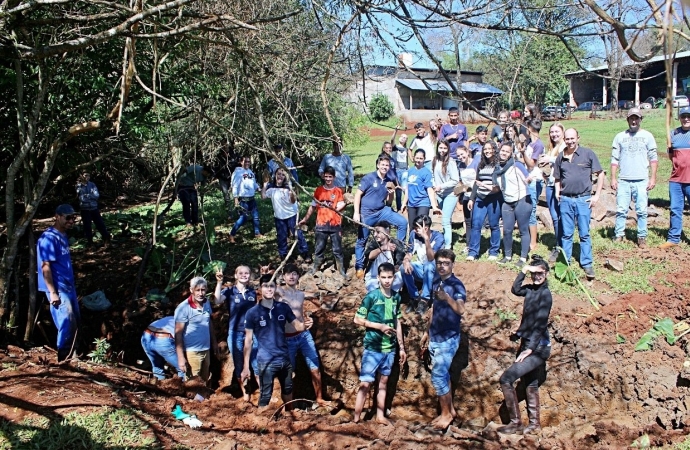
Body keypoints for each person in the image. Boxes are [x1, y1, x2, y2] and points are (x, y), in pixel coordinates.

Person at [497, 255, 552, 435]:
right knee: (530, 383)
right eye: (534, 273)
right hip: (528, 341)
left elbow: (540, 323)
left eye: (541, 273)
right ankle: (534, 425)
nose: (537, 277)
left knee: (506, 378)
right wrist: (524, 270)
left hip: (538, 347)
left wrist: (529, 349)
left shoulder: (546, 295)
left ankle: (516, 423)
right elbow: (515, 289)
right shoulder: (529, 290)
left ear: (546, 274)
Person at [242, 274, 312, 409]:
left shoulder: (283, 307)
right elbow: (248, 340)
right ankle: (262, 423)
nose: (269, 289)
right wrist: (246, 367)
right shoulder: (252, 313)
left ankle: (292, 417)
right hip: (266, 361)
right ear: (260, 289)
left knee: (288, 391)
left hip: (285, 359)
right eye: (265, 286)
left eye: (272, 286)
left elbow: (297, 326)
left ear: (275, 288)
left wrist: (306, 324)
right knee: (265, 395)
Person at [353, 262, 407, 425]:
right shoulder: (372, 297)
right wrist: (379, 326)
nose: (387, 281)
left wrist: (402, 347)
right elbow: (357, 319)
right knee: (365, 383)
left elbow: (398, 322)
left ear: (394, 277)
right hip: (373, 348)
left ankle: (380, 416)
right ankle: (355, 419)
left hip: (390, 349)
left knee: (383, 382)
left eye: (390, 277)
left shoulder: (397, 297)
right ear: (378, 278)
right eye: (383, 277)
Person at [419, 249, 466, 430]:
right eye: (439, 263)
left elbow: (461, 310)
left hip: (449, 339)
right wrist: (427, 332)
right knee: (443, 376)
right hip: (435, 337)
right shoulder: (436, 282)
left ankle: (446, 415)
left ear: (452, 265)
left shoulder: (456, 286)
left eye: (446, 263)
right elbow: (434, 310)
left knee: (438, 376)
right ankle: (449, 411)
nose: (442, 266)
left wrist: (447, 298)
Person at [553, 128, 604, 280]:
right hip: (566, 200)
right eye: (567, 139)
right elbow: (557, 177)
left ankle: (587, 263)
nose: (570, 141)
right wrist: (557, 192)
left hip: (583, 199)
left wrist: (597, 196)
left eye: (572, 138)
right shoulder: (560, 157)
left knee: (584, 233)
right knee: (567, 234)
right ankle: (565, 262)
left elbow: (600, 173)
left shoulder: (587, 154)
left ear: (578, 138)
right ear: (564, 139)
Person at [278, 264, 329, 405]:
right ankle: (289, 405)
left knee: (315, 368)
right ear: (283, 277)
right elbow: (266, 289)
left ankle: (319, 398)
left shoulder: (300, 294)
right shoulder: (280, 293)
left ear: (298, 276)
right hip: (287, 339)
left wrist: (310, 319)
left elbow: (307, 304)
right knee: (288, 373)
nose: (291, 276)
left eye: (294, 273)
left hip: (304, 335)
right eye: (288, 274)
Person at [353, 155, 408, 279]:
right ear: (378, 164)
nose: (385, 167)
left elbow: (389, 202)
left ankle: (398, 255)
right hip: (367, 214)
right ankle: (360, 267)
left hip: (382, 210)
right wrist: (356, 213)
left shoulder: (389, 179)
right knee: (362, 240)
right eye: (383, 164)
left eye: (387, 165)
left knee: (402, 223)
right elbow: (357, 195)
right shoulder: (369, 178)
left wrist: (391, 194)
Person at [37, 204, 80, 362]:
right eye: (68, 217)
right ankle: (64, 357)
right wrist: (52, 292)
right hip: (58, 288)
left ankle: (73, 354)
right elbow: (45, 266)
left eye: (73, 217)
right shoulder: (48, 238)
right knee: (66, 321)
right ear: (57, 216)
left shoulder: (62, 235)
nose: (71, 221)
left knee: (75, 321)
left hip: (68, 286)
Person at [610, 107, 658, 249]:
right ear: (628, 120)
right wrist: (613, 178)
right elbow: (614, 159)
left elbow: (653, 158)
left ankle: (641, 236)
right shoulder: (619, 137)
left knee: (642, 210)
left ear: (640, 120)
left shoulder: (648, 136)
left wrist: (653, 178)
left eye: (636, 118)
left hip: (641, 179)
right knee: (621, 209)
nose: (634, 121)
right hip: (624, 179)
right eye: (631, 118)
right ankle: (619, 234)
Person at [214, 265, 259, 401]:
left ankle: (264, 394)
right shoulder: (229, 291)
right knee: (239, 364)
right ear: (235, 275)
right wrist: (219, 282)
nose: (244, 275)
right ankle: (246, 395)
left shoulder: (252, 292)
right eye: (241, 273)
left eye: (247, 273)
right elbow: (217, 301)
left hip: (252, 333)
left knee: (257, 363)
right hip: (235, 334)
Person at [299, 166, 347, 276]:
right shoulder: (319, 190)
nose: (328, 179)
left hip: (335, 224)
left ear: (334, 177)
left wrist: (346, 202)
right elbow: (312, 206)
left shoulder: (338, 191)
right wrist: (305, 219)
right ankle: (316, 267)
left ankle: (341, 269)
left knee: (337, 249)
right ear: (323, 177)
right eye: (326, 177)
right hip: (321, 224)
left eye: (330, 177)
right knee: (319, 248)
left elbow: (339, 207)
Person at [494, 141, 531, 267]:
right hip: (507, 202)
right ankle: (507, 256)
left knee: (523, 230)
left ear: (511, 154)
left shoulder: (517, 165)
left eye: (507, 151)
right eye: (502, 150)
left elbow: (528, 177)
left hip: (521, 200)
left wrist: (529, 180)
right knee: (507, 230)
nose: (504, 153)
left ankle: (523, 258)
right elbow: (498, 187)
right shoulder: (497, 167)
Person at [174, 276, 219, 382]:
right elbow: (178, 333)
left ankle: (202, 398)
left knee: (204, 379)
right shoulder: (183, 308)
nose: (200, 293)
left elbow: (209, 323)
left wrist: (214, 343)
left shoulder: (206, 303)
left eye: (203, 290)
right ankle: (194, 399)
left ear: (206, 289)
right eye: (197, 290)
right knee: (193, 382)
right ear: (191, 290)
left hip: (206, 349)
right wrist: (181, 357)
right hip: (192, 352)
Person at [262, 168, 310, 261]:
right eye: (279, 174)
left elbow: (292, 202)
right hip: (279, 217)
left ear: (285, 177)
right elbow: (263, 196)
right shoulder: (271, 188)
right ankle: (283, 255)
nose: (280, 176)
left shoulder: (288, 187)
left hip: (291, 215)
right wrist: (264, 185)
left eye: (283, 175)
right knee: (281, 235)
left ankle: (305, 252)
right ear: (275, 175)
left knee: (298, 233)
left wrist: (293, 195)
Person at [402, 215, 444, 314]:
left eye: (417, 229)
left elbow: (431, 258)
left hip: (436, 272)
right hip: (422, 268)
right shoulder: (413, 234)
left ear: (425, 228)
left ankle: (424, 300)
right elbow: (409, 252)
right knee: (403, 267)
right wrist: (406, 261)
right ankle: (414, 297)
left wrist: (426, 239)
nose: (415, 231)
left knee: (429, 265)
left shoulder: (438, 237)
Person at [467, 141, 502, 261]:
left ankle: (494, 251)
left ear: (494, 150)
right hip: (480, 198)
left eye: (489, 149)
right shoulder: (481, 164)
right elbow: (476, 182)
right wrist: (472, 198)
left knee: (494, 225)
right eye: (485, 149)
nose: (487, 151)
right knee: (476, 224)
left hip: (494, 198)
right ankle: (473, 252)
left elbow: (498, 185)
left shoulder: (498, 165)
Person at [661, 106, 690, 249]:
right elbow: (671, 156)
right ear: (679, 118)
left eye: (688, 116)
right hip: (676, 180)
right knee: (675, 209)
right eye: (683, 116)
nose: (686, 119)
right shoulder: (673, 134)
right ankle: (673, 239)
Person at [538, 123, 566, 263]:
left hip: (560, 186)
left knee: (560, 217)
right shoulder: (554, 148)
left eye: (557, 131)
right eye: (552, 132)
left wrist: (550, 159)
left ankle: (562, 245)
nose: (554, 134)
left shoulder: (565, 146)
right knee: (554, 216)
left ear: (563, 132)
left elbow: (566, 161)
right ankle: (558, 243)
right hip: (550, 184)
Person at [522, 119, 546, 251]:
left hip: (535, 180)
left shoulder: (538, 145)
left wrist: (522, 152)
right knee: (527, 210)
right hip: (528, 179)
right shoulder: (530, 143)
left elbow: (531, 163)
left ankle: (533, 243)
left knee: (531, 211)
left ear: (530, 128)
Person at [432, 140, 461, 249]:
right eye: (440, 148)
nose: (442, 150)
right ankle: (444, 241)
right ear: (437, 148)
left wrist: (441, 186)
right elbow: (433, 175)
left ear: (448, 149)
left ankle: (448, 247)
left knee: (445, 220)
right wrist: (435, 185)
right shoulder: (435, 160)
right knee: (444, 219)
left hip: (450, 194)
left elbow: (455, 180)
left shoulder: (451, 162)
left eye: (445, 148)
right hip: (439, 194)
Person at [363, 221, 406, 293]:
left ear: (387, 232)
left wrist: (391, 272)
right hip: (374, 278)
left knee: (401, 277)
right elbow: (369, 256)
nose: (375, 234)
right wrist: (383, 248)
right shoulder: (374, 243)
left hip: (390, 277)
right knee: (373, 289)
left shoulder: (396, 243)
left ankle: (392, 296)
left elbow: (400, 263)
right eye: (374, 232)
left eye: (378, 232)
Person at [401, 149, 438, 229]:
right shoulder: (410, 171)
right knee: (412, 226)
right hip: (411, 203)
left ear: (424, 159)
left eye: (421, 158)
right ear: (414, 158)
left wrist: (434, 206)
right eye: (417, 158)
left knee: (421, 225)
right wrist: (404, 203)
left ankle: (423, 241)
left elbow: (430, 190)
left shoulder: (426, 172)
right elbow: (408, 189)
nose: (418, 160)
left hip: (423, 203)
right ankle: (412, 241)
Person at [229, 156, 263, 243]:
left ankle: (257, 233)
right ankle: (232, 234)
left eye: (248, 161)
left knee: (255, 216)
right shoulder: (238, 172)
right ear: (241, 162)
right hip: (243, 200)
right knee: (243, 218)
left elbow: (254, 183)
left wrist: (259, 189)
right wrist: (235, 198)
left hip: (252, 198)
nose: (247, 163)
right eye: (245, 161)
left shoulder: (250, 172)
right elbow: (235, 185)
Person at [76, 172, 112, 247]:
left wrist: (87, 196)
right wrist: (90, 196)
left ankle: (106, 239)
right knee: (87, 226)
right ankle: (90, 242)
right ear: (81, 176)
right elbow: (81, 199)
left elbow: (96, 195)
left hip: (94, 208)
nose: (87, 177)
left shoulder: (92, 185)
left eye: (88, 175)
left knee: (100, 224)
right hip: (85, 209)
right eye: (85, 175)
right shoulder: (79, 186)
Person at [390, 127, 409, 211]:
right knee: (398, 190)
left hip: (405, 170)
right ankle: (399, 207)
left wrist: (408, 166)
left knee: (405, 189)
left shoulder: (406, 149)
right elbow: (391, 139)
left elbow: (406, 160)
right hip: (397, 170)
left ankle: (407, 206)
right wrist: (396, 130)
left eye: (405, 138)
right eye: (402, 136)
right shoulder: (395, 147)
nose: (403, 138)